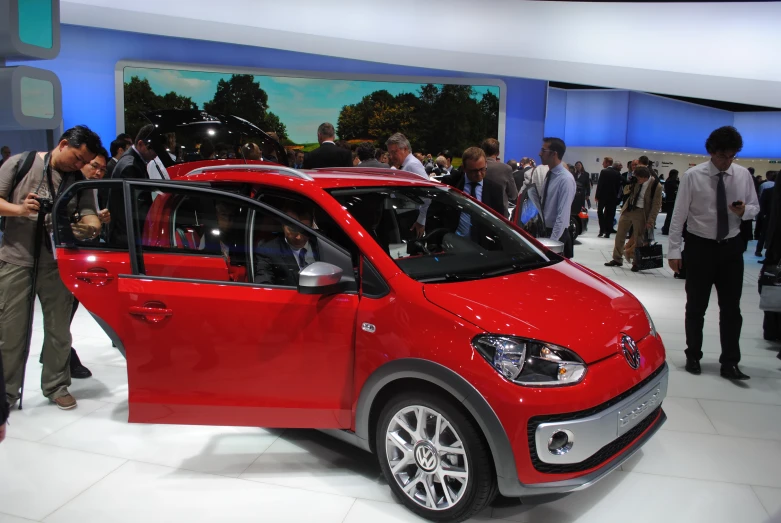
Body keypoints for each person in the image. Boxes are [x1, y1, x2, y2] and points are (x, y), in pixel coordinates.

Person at [0, 126, 103, 410]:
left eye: (84, 162)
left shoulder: (77, 180)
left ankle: (56, 385)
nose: (79, 165)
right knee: (10, 331)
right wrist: (20, 210)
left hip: (57, 263)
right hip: (15, 259)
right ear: (63, 143)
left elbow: (90, 214)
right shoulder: (20, 163)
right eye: (78, 157)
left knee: (59, 329)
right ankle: (6, 392)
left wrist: (86, 227)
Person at [668, 126, 759, 381]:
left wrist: (744, 212)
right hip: (700, 247)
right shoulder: (693, 176)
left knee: (732, 309)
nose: (726, 161)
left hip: (731, 248)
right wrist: (674, 250)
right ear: (711, 152)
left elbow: (754, 207)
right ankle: (693, 355)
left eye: (731, 156)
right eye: (722, 156)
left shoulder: (742, 175)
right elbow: (679, 216)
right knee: (696, 306)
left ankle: (730, 362)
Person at [108, 124, 159, 246]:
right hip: (127, 236)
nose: (156, 155)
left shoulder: (133, 160)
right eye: (154, 150)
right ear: (141, 144)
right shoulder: (130, 166)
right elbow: (137, 208)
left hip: (128, 233)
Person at [604, 166, 662, 271]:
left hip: (641, 212)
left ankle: (636, 262)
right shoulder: (635, 182)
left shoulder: (656, 186)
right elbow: (626, 192)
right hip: (629, 209)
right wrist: (630, 184)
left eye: (639, 178)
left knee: (638, 238)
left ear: (645, 177)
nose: (638, 180)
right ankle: (617, 259)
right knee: (620, 234)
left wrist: (651, 221)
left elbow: (656, 205)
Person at [254, 204, 320, 286]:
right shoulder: (268, 251)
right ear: (282, 225)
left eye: (304, 230)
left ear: (312, 226)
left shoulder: (323, 246)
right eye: (293, 229)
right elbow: (263, 283)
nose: (299, 237)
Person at [539, 137, 576, 258]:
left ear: (554, 154)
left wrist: (551, 244)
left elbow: (562, 216)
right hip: (545, 231)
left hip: (556, 235)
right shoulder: (550, 174)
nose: (540, 153)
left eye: (543, 150)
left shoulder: (565, 179)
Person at [481, 138, 518, 217]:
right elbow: (513, 195)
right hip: (500, 216)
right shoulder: (506, 169)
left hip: (478, 211)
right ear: (498, 153)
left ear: (483, 151)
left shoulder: (475, 167)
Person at [595, 157, 622, 238]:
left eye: (604, 162)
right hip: (612, 197)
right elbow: (618, 186)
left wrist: (597, 196)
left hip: (603, 196)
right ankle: (608, 232)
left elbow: (600, 184)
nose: (602, 164)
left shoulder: (604, 171)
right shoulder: (617, 173)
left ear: (607, 163)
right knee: (610, 214)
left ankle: (601, 230)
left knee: (600, 212)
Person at [660, 169, 679, 235]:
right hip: (671, 201)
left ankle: (666, 229)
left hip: (668, 200)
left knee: (669, 216)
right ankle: (666, 229)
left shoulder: (668, 181)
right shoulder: (672, 182)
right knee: (670, 216)